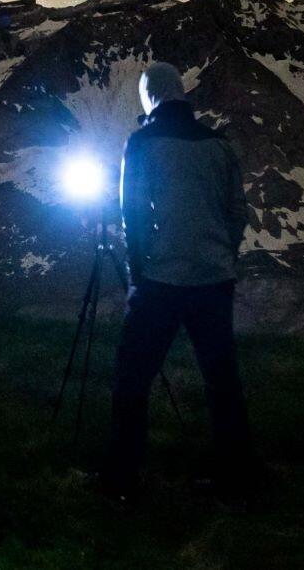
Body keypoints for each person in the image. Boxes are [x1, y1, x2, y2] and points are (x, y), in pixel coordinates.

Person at [105, 61, 254, 500]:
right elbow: (237, 212)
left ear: (149, 97)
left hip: (161, 279)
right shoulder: (218, 144)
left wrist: (138, 271)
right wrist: (223, 254)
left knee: (132, 378)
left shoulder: (142, 143)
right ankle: (237, 479)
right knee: (222, 381)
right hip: (214, 278)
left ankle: (122, 480)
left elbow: (132, 214)